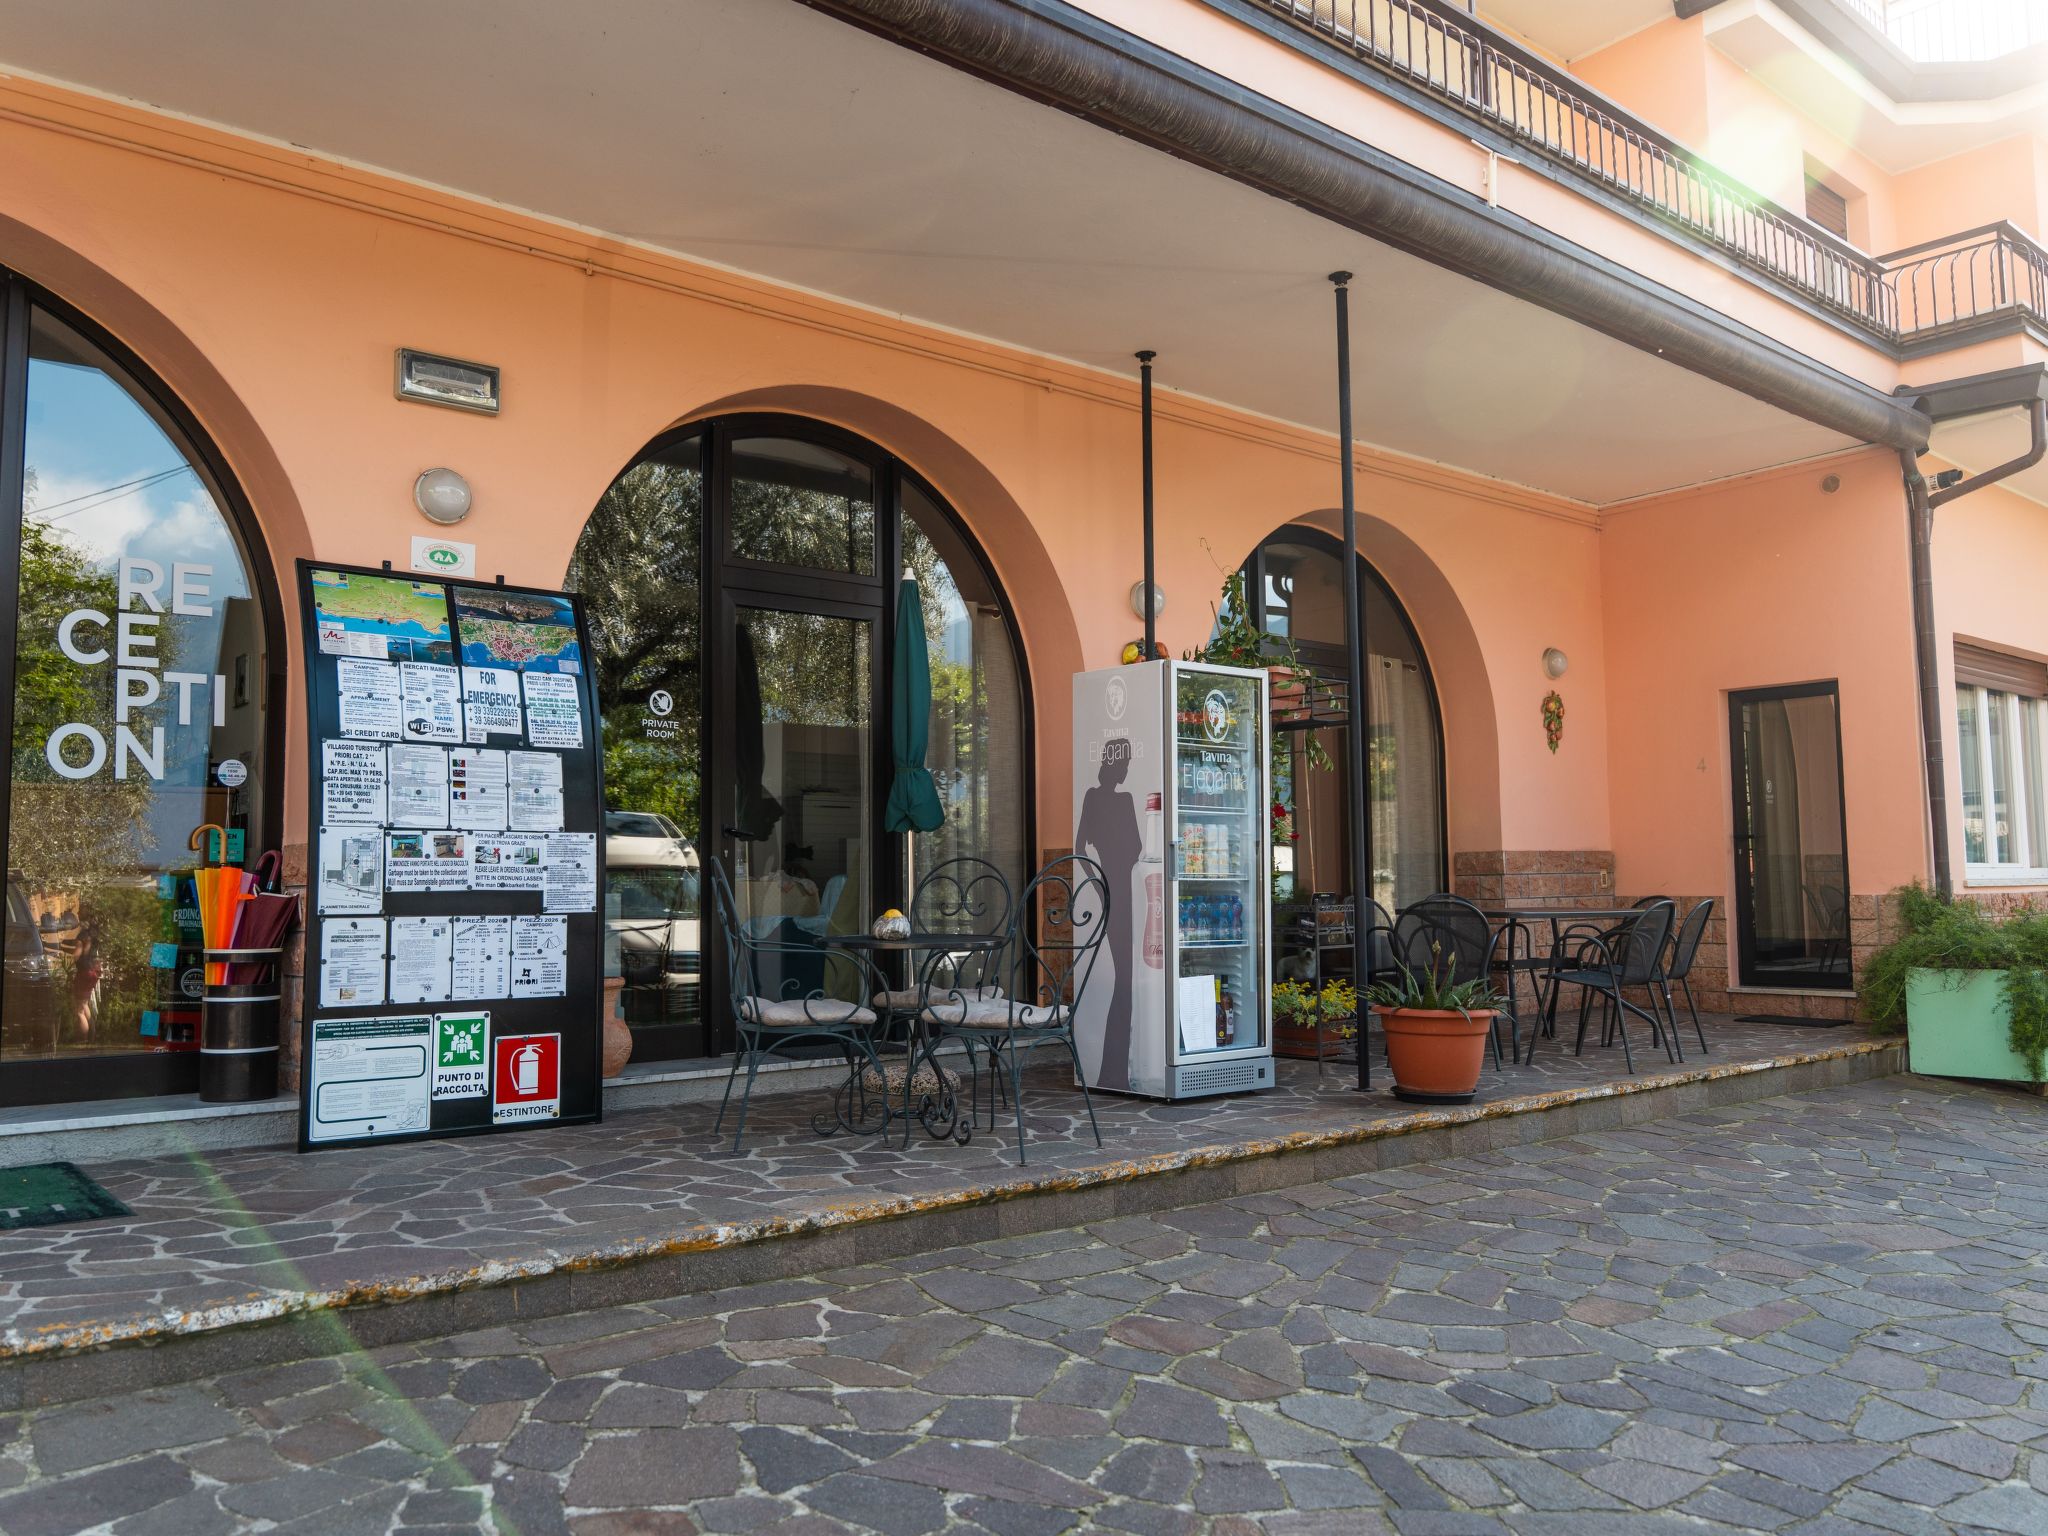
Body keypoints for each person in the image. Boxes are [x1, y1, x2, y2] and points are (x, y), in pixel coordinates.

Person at [1074, 737, 1140, 1090]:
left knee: (1126, 979)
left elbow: (1135, 847)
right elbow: (1079, 847)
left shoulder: (1124, 799)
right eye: (1123, 761)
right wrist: (1098, 883)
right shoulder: (1095, 797)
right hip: (1114, 892)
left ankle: (1113, 1071)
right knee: (1124, 979)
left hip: (1126, 891)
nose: (1126, 767)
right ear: (1112, 763)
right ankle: (1112, 1072)